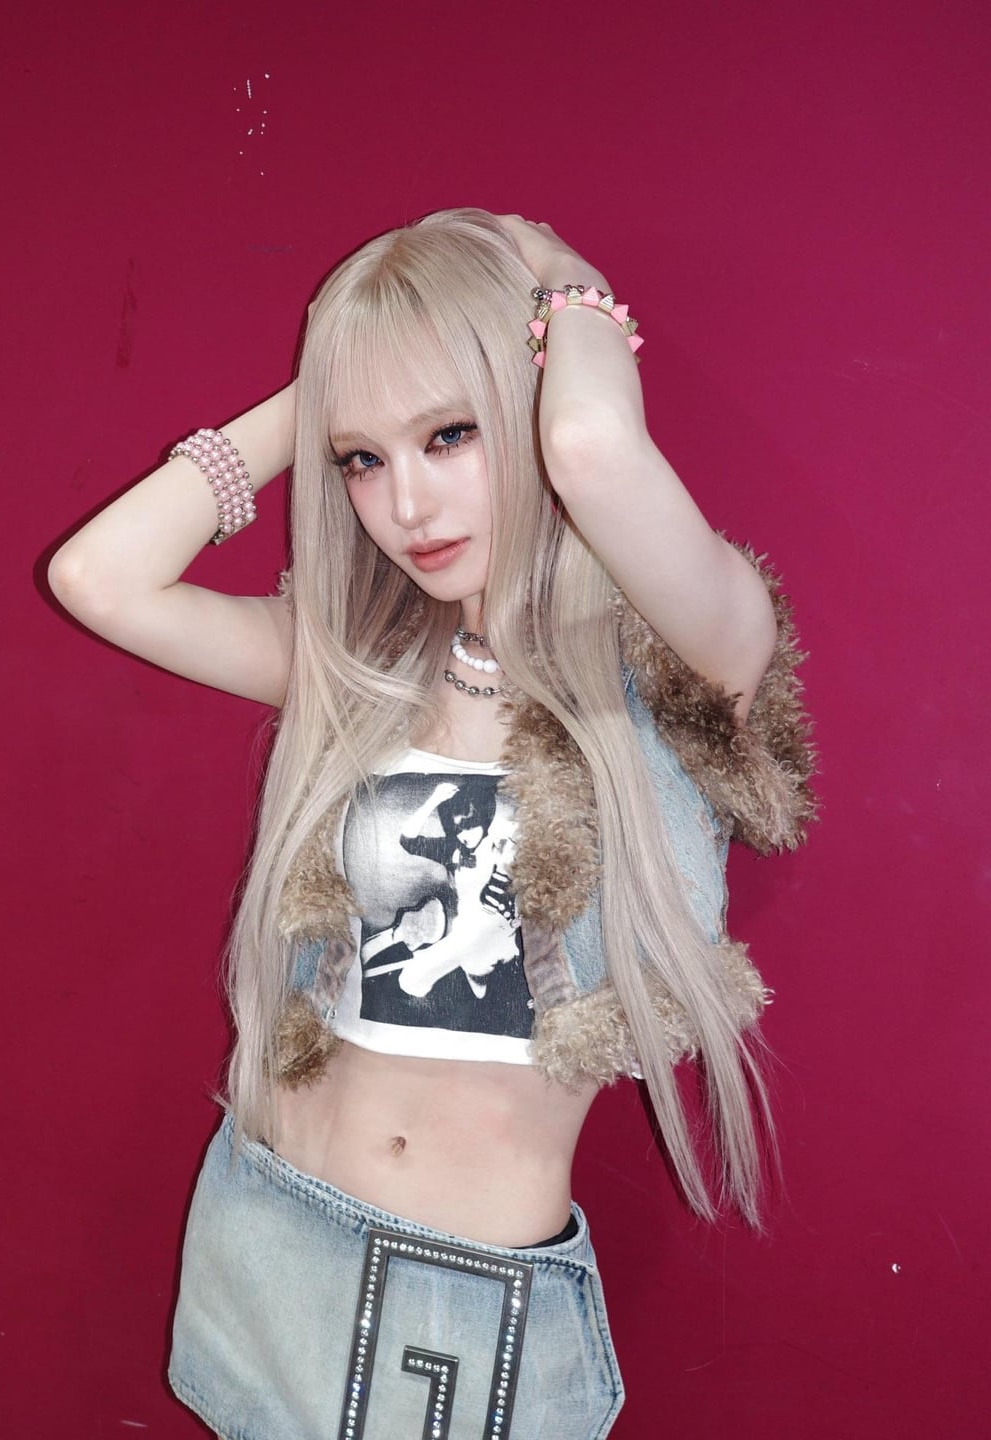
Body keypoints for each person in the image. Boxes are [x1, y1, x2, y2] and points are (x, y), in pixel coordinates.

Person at [48, 209, 814, 1440]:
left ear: (526, 396)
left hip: (464, 1309)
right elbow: (99, 577)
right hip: (266, 1229)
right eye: (362, 460)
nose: (405, 502)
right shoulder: (361, 669)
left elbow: (592, 450)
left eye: (450, 435)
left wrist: (560, 277)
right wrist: (327, 389)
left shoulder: (684, 663)